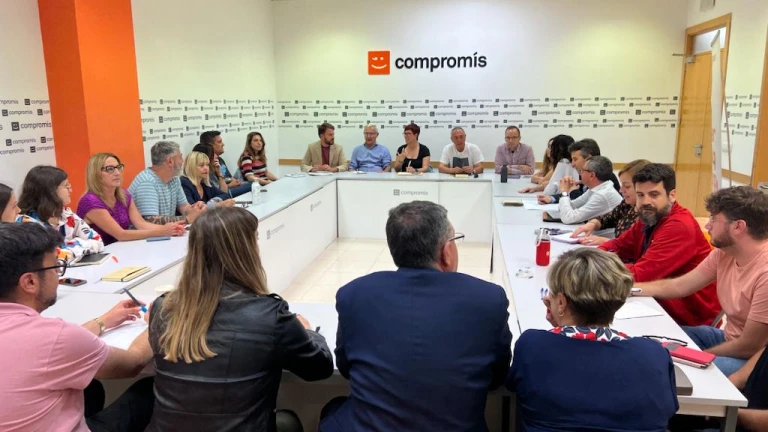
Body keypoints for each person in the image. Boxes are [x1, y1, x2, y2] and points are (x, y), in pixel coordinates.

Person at [319, 201, 512, 432]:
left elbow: (345, 367)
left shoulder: (354, 294)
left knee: (333, 410)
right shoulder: (488, 299)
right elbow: (497, 377)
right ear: (446, 252)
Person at [146, 207, 333, 431]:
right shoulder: (269, 314)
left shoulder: (163, 308)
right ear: (246, 250)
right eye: (255, 239)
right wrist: (308, 332)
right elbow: (319, 369)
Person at [0, 223, 155, 432]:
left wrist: (103, 321)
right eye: (55, 267)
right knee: (150, 389)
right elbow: (133, 362)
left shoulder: (46, 337)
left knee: (92, 388)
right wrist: (157, 321)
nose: (59, 274)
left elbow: (48, 349)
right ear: (30, 282)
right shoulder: (54, 337)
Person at [508, 248, 677, 431]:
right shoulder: (654, 355)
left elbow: (512, 386)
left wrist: (559, 326)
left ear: (561, 302)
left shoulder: (533, 345)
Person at [635, 186, 768, 376]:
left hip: (754, 360)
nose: (708, 226)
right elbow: (680, 286)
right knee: (655, 341)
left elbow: (749, 346)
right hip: (728, 339)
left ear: (738, 226)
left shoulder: (764, 272)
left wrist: (698, 356)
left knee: (673, 368)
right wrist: (630, 289)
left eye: (713, 219)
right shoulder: (724, 253)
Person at [601, 164, 721, 328]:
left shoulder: (679, 225)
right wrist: (596, 258)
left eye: (654, 194)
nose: (646, 202)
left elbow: (640, 274)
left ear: (672, 195)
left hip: (688, 317)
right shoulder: (650, 216)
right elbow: (618, 245)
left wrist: (595, 269)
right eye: (640, 195)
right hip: (656, 302)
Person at [78, 153, 186, 245]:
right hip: (98, 256)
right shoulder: (90, 201)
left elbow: (141, 224)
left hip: (121, 249)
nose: (117, 173)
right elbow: (121, 234)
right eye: (110, 169)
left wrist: (171, 228)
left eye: (118, 167)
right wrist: (162, 231)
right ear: (95, 174)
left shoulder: (124, 195)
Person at [17, 165, 105, 263]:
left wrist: (73, 245)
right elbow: (52, 259)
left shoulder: (66, 214)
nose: (70, 190)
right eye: (66, 186)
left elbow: (98, 240)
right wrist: (80, 244)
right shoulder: (27, 223)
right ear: (50, 191)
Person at [572, 158, 651, 245]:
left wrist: (607, 241)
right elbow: (607, 219)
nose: (621, 190)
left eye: (627, 186)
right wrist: (592, 224)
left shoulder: (650, 214)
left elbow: (638, 246)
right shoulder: (627, 205)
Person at [128, 141, 206, 225]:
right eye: (180, 157)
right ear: (170, 161)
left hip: (165, 231)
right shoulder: (146, 182)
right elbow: (150, 220)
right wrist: (186, 219)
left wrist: (195, 208)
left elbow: (184, 207)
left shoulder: (174, 179)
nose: (182, 161)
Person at [539, 138, 620, 204]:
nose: (572, 164)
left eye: (575, 159)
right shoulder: (583, 174)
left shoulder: (605, 177)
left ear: (588, 159)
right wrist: (552, 198)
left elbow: (584, 203)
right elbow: (579, 196)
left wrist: (569, 190)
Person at [552, 155, 622, 224]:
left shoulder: (602, 194)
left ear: (592, 175)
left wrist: (564, 192)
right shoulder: (596, 188)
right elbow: (571, 206)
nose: (580, 173)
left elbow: (568, 218)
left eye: (582, 170)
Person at [199, 131, 251, 197]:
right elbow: (215, 189)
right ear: (210, 145)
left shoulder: (220, 160)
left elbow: (229, 177)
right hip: (222, 193)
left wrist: (235, 182)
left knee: (254, 184)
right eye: (219, 142)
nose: (223, 144)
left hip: (230, 189)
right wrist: (230, 185)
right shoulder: (206, 165)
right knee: (253, 185)